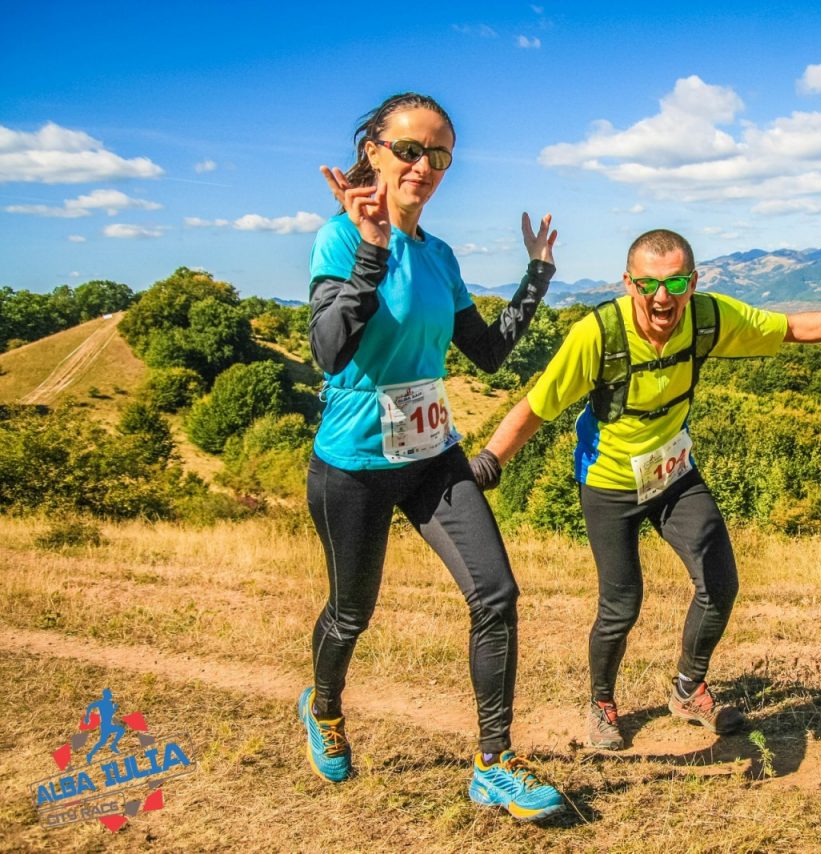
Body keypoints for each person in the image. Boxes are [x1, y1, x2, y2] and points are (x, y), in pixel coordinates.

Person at [471, 229, 821, 750]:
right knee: (621, 604)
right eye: (648, 284)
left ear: (693, 282)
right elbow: (536, 406)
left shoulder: (707, 317)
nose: (662, 297)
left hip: (672, 472)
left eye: (675, 283)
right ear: (628, 283)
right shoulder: (597, 335)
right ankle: (602, 702)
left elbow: (792, 328)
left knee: (720, 582)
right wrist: (488, 463)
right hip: (609, 481)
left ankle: (688, 688)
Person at [300, 91, 564, 821]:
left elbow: (488, 352)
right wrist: (371, 249)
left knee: (496, 595)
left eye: (439, 154)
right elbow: (329, 352)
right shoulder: (337, 239)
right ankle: (323, 708)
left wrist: (537, 273)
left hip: (431, 456)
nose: (424, 165)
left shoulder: (440, 256)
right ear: (374, 153)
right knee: (351, 614)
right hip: (353, 465)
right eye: (410, 150)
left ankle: (494, 764)